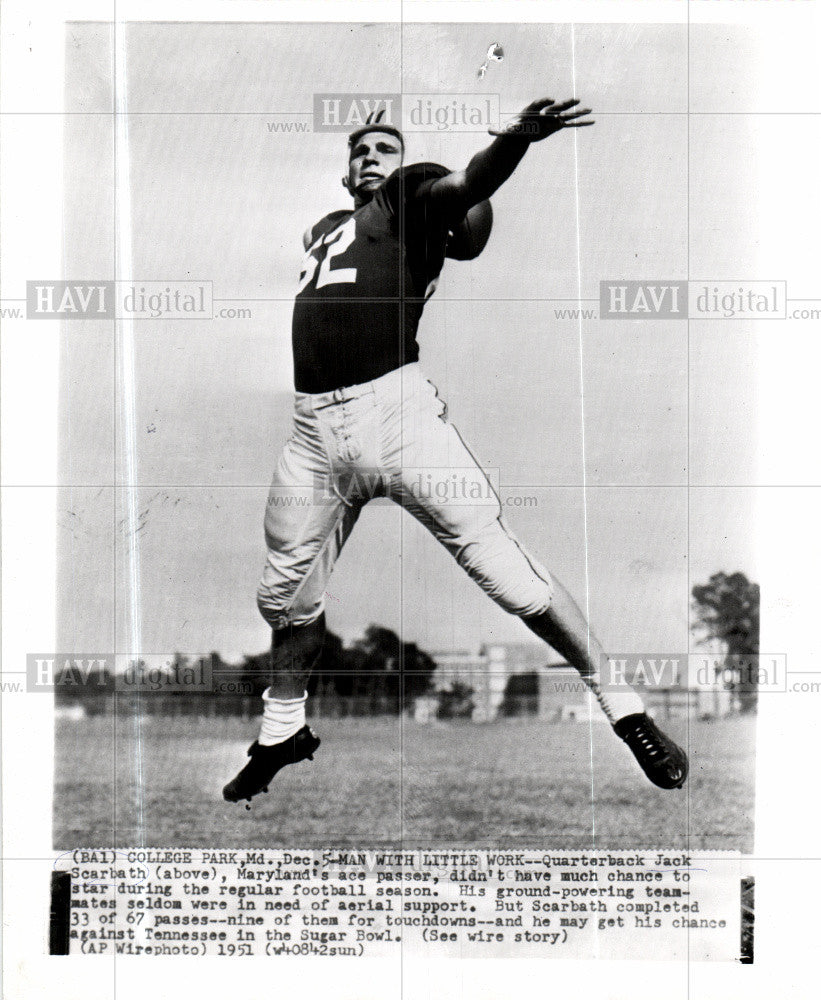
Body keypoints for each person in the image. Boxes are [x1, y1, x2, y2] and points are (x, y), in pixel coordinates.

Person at [223, 97, 688, 806]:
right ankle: (282, 729)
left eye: (385, 146)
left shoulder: (409, 193)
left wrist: (513, 142)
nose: (372, 156)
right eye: (360, 151)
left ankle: (624, 710)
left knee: (506, 575)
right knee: (282, 595)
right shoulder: (326, 228)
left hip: (395, 412)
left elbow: (468, 186)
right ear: (344, 172)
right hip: (313, 431)